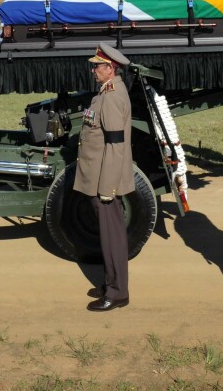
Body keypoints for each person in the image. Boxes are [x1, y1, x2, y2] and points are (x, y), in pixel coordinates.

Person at [74, 43, 134, 312]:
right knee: (110, 236)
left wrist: (107, 187)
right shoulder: (106, 92)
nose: (93, 70)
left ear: (111, 68)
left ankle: (117, 293)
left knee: (112, 238)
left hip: (104, 180)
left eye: (97, 66)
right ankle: (111, 282)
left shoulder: (111, 97)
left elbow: (115, 145)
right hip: (100, 177)